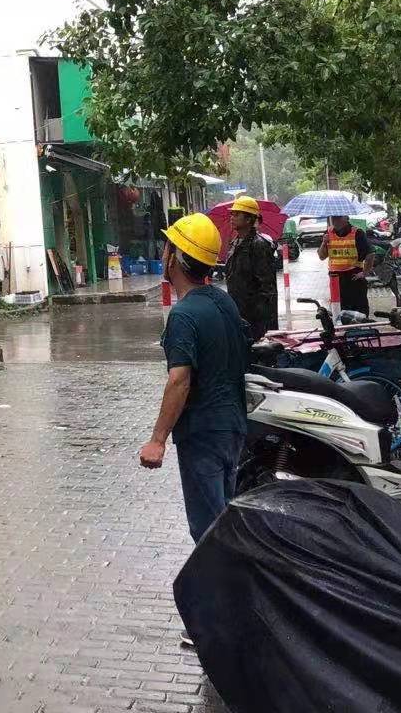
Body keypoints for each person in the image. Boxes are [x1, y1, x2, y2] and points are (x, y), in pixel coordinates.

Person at [140, 214, 251, 543]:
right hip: (233, 427)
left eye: (167, 248)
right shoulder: (224, 301)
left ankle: (225, 578)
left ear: (174, 258)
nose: (163, 254)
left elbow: (180, 380)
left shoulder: (184, 315)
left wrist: (157, 440)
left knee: (208, 530)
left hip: (203, 434)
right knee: (223, 519)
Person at [223, 196, 278, 339]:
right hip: (238, 312)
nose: (232, 217)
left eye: (236, 214)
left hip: (255, 319)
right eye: (232, 214)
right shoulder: (235, 243)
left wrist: (264, 324)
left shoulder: (259, 245)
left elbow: (267, 288)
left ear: (248, 219)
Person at [317, 214, 374, 315]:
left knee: (359, 313)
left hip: (354, 279)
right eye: (333, 218)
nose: (335, 220)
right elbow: (322, 256)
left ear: (347, 218)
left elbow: (370, 254)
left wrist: (365, 273)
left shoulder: (357, 233)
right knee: (339, 311)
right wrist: (324, 243)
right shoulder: (328, 233)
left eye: (338, 217)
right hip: (336, 280)